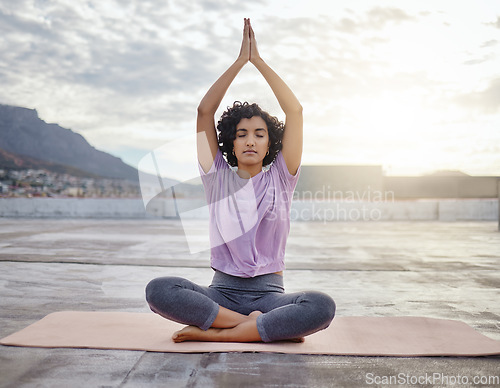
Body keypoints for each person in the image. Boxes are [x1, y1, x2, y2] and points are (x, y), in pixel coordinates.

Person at [145, 18, 335, 343]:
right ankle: (253, 328)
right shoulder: (217, 177)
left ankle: (219, 333)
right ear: (230, 144)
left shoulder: (282, 175)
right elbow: (204, 112)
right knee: (159, 290)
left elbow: (296, 112)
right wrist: (238, 63)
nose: (250, 140)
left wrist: (258, 61)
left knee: (321, 306)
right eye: (241, 134)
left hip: (270, 296)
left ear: (269, 143)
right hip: (222, 293)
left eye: (259, 134)